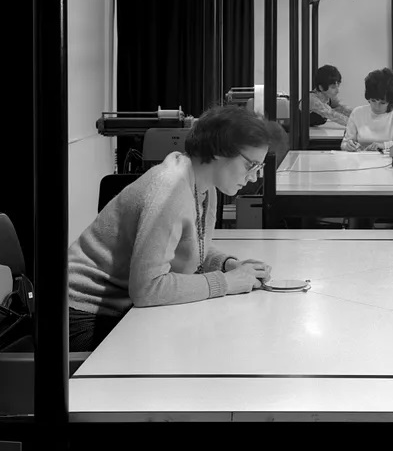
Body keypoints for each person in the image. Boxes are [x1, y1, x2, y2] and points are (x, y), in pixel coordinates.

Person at [68, 105, 274, 352]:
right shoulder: (170, 190)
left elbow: (188, 247)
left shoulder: (203, 185)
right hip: (80, 315)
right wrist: (226, 283)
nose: (254, 178)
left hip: (116, 309)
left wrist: (228, 265)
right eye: (251, 165)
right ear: (220, 151)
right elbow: (147, 289)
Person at [341, 67, 393, 152]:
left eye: (382, 103)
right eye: (373, 100)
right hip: (361, 162)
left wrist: (384, 145)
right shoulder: (357, 113)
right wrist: (348, 145)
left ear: (390, 101)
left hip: (390, 163)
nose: (376, 107)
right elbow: (345, 143)